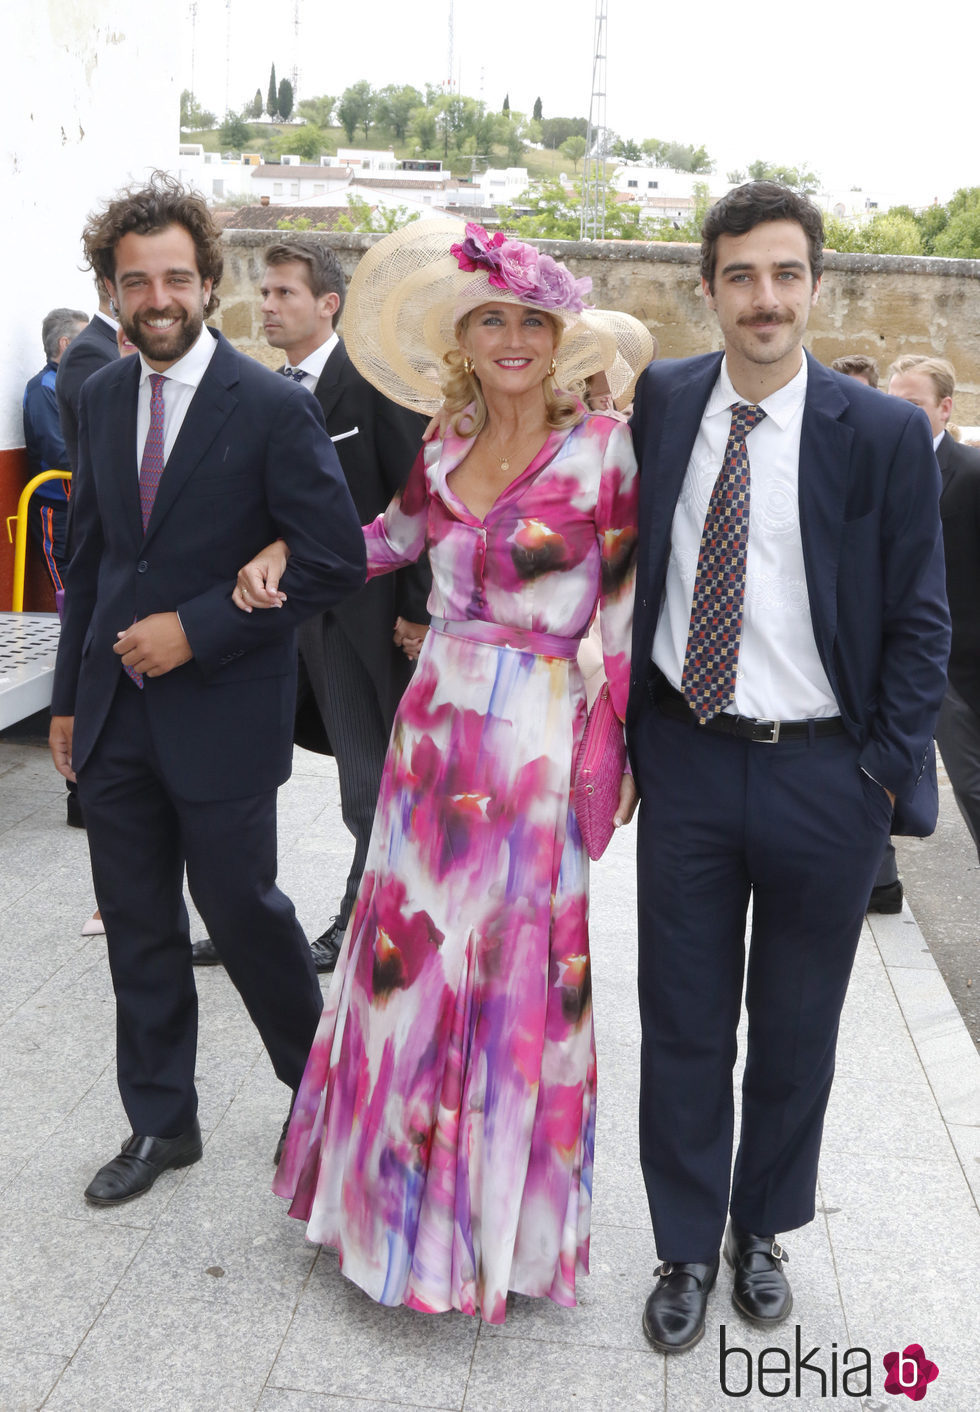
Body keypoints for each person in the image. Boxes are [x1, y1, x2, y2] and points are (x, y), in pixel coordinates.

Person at [238, 219, 644, 1322]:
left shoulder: (604, 448)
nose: (511, 337)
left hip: (532, 747)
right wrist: (290, 553)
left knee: (505, 982)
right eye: (490, 320)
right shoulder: (441, 440)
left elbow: (622, 608)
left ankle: (479, 1241)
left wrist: (620, 745)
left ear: (557, 334)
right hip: (433, 738)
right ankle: (378, 1214)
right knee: (405, 969)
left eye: (529, 320)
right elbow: (384, 537)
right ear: (461, 337)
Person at [626, 182, 949, 1353]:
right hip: (689, 762)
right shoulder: (660, 401)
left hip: (825, 775)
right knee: (681, 1018)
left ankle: (757, 1226)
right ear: (705, 289)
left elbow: (920, 620)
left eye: (784, 274)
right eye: (739, 276)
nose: (763, 299)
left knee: (797, 1020)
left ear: (814, 285)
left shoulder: (878, 433)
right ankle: (678, 1239)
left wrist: (874, 773)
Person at [48, 172, 367, 1207]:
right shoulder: (93, 393)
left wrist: (198, 628)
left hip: (223, 709)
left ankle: (318, 1094)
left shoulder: (270, 404)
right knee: (136, 921)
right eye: (136, 280)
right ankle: (160, 1121)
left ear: (205, 283)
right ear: (111, 285)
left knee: (243, 912)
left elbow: (330, 559)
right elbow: (88, 562)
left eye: (176, 277)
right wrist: (64, 700)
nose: (158, 297)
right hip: (115, 716)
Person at [190, 238, 431, 973]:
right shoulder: (267, 388)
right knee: (253, 769)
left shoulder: (371, 386)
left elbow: (418, 498)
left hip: (359, 616)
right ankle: (249, 924)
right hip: (276, 618)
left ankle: (358, 927)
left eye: (283, 294)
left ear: (329, 304)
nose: (266, 305)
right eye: (262, 293)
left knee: (368, 783)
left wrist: (418, 609)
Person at [888, 354, 980, 860]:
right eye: (892, 402)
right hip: (896, 657)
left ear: (945, 408)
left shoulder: (970, 473)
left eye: (914, 405)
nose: (899, 414)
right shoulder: (877, 468)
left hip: (960, 665)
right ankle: (877, 882)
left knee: (970, 785)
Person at [829, 352, 902, 912]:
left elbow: (922, 610)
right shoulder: (671, 398)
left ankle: (883, 879)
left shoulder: (890, 436)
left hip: (841, 739)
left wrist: (885, 768)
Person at [22, 307, 89, 592]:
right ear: (65, 343)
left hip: (84, 505)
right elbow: (61, 453)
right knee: (68, 588)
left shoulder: (76, 383)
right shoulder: (43, 388)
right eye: (85, 340)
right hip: (58, 510)